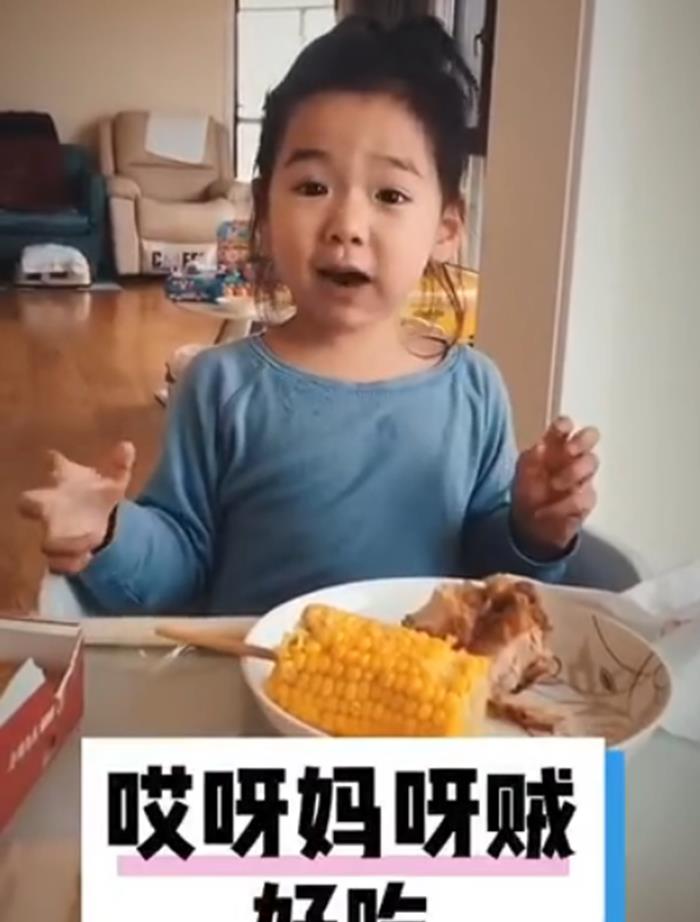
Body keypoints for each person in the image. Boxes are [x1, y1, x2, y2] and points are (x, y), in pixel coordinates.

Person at [19, 16, 599, 618]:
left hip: (426, 680)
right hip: (248, 678)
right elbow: (181, 567)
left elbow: (489, 579)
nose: (347, 224)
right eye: (313, 187)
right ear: (264, 212)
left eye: (390, 195)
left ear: (446, 228)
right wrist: (110, 531)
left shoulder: (474, 392)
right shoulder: (220, 386)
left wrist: (533, 530)